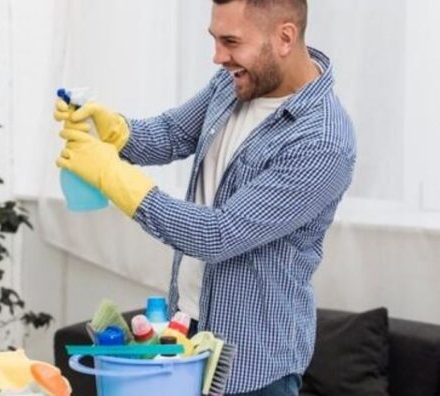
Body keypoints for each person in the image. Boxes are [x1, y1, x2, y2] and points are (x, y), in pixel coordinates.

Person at [54, 0, 355, 394]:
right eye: (215, 39)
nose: (218, 57)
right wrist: (116, 130)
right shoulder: (237, 81)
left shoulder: (322, 141)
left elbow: (218, 234)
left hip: (253, 366)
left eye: (231, 41)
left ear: (285, 37)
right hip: (187, 333)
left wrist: (113, 177)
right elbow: (172, 134)